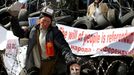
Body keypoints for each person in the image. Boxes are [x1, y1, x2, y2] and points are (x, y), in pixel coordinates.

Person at [10, 6, 78, 75]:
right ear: (39, 20)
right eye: (44, 20)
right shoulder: (33, 30)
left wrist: (72, 62)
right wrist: (14, 18)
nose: (45, 23)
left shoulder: (55, 33)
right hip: (35, 67)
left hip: (50, 67)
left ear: (51, 22)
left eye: (48, 21)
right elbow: (18, 33)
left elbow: (64, 47)